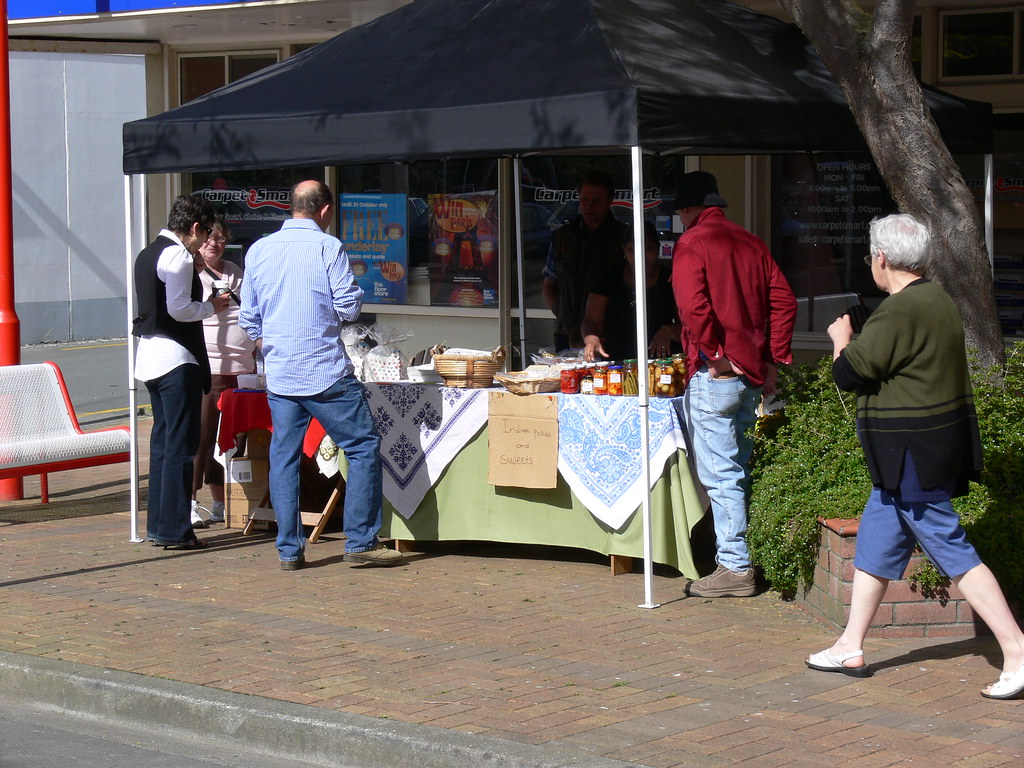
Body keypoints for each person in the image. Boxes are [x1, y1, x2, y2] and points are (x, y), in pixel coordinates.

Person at [806, 213, 1024, 700]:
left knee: (952, 549)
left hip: (912, 453)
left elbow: (850, 373)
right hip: (912, 452)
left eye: (871, 257)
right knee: (876, 542)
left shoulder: (900, 309)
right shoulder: (936, 299)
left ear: (881, 258)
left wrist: (841, 340)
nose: (871, 264)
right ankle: (849, 645)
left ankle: (1017, 650)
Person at [239, 180, 404, 571]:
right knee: (362, 447)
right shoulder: (328, 247)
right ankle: (360, 541)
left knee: (284, 459)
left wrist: (272, 346)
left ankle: (289, 550)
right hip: (324, 372)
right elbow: (348, 309)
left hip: (282, 374)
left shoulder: (259, 250)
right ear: (325, 210)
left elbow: (249, 317)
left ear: (292, 206)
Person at [671, 170, 797, 598]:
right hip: (749, 374)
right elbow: (784, 301)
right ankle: (742, 558)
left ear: (688, 209)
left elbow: (692, 306)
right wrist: (773, 359)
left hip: (718, 374)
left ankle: (735, 566)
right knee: (737, 471)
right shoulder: (751, 242)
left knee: (722, 475)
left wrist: (714, 354)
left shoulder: (693, 241)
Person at [133, 194, 231, 549]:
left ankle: (159, 525)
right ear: (195, 227)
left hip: (151, 357)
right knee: (181, 444)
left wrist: (197, 271)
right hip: (176, 358)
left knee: (163, 442)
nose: (204, 242)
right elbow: (179, 309)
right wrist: (211, 306)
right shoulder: (177, 256)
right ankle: (176, 530)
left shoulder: (149, 252)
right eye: (204, 234)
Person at [190, 217, 256, 527]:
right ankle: (190, 502)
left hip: (242, 368)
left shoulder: (234, 270)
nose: (215, 243)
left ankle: (221, 504)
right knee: (201, 437)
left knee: (232, 441)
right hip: (210, 367)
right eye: (210, 237)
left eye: (221, 238)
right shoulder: (191, 273)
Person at [542, 169, 626, 351]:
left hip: (609, 335)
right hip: (567, 335)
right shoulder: (562, 237)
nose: (589, 206)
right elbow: (549, 286)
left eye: (596, 200)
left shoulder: (624, 237)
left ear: (610, 200)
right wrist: (562, 313)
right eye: (585, 199)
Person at [581, 220, 680, 362]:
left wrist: (668, 331)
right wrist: (592, 340)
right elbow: (591, 321)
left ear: (658, 248)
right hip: (617, 362)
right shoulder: (609, 280)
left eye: (647, 248)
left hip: (662, 364)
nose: (640, 255)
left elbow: (688, 326)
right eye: (632, 249)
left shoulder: (671, 280)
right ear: (624, 250)